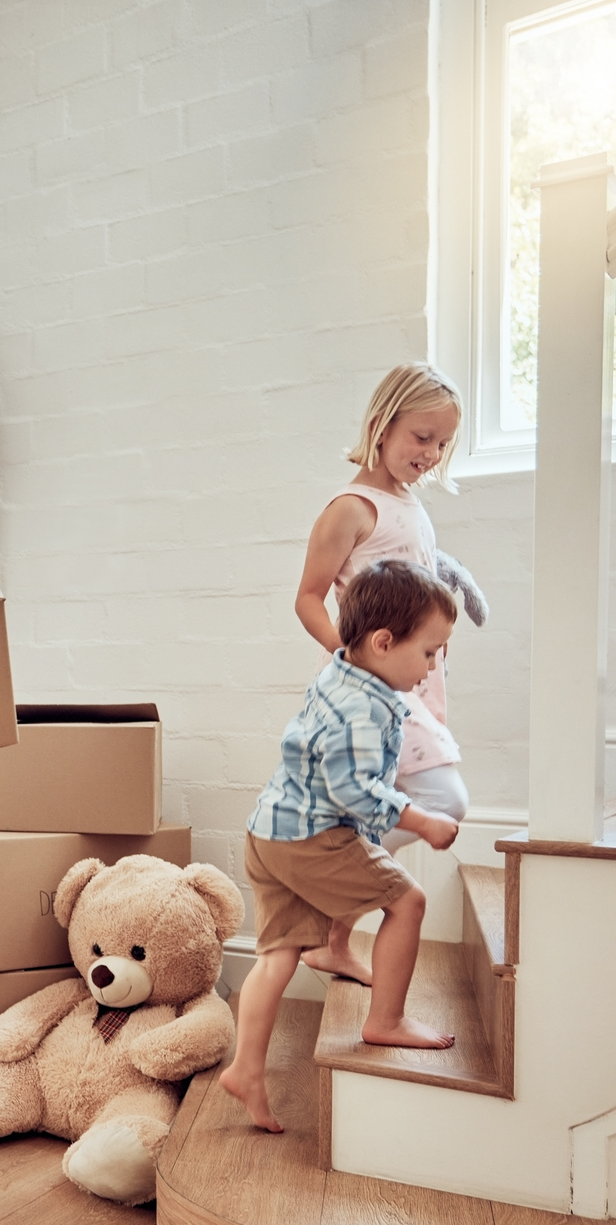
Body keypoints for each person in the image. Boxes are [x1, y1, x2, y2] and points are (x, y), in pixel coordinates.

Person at [220, 560, 462, 1134]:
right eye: (429, 652)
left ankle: (246, 1068)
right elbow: (350, 788)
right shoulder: (365, 705)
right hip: (312, 840)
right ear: (383, 642)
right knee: (407, 902)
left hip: (269, 829)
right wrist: (419, 819)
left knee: (276, 954)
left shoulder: (344, 670)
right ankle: (387, 1019)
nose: (434, 666)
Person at [288, 362, 481, 988]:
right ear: (380, 425)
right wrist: (352, 660)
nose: (431, 453)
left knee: (370, 804)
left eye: (442, 444)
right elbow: (310, 598)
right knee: (443, 798)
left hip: (417, 680)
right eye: (421, 437)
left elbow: (417, 571)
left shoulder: (410, 506)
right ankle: (329, 887)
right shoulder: (350, 508)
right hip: (370, 688)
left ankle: (333, 939)